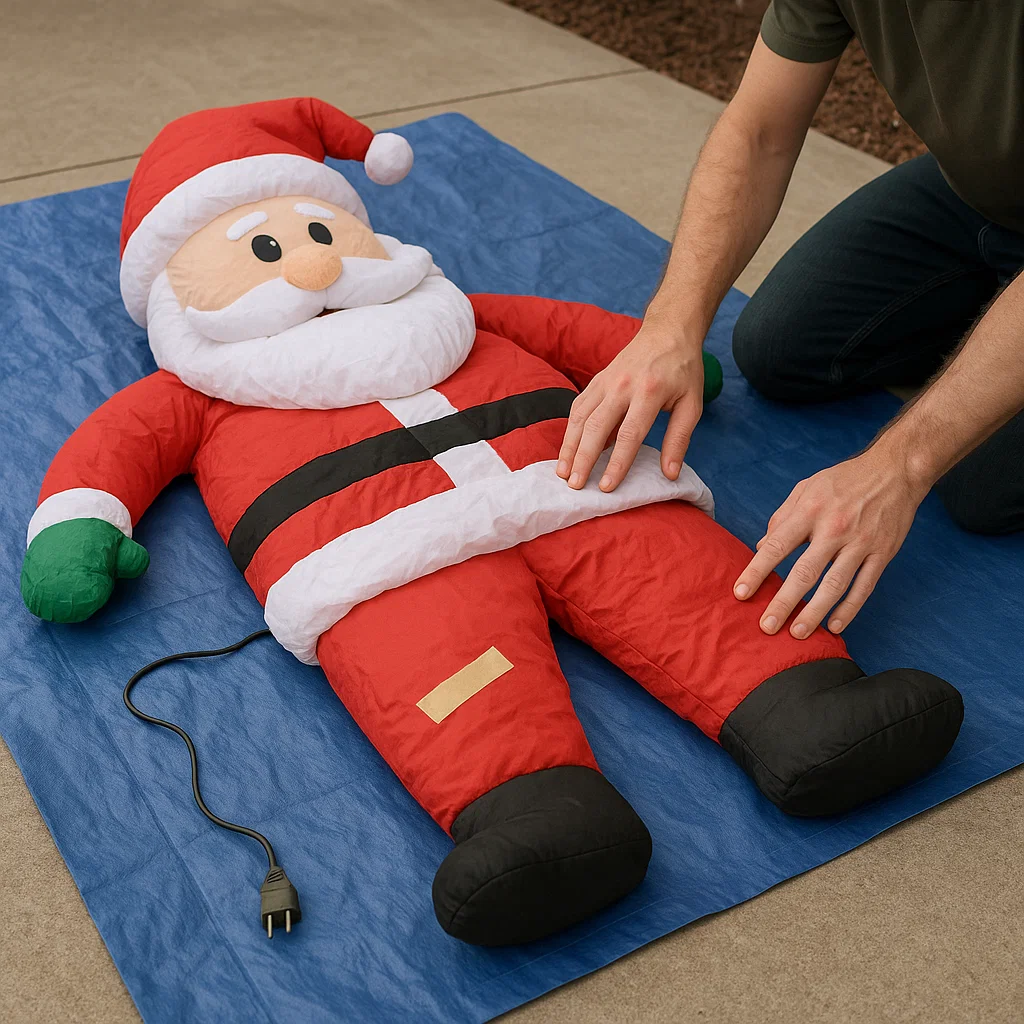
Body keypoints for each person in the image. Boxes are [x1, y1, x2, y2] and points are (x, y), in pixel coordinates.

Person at [557, 0, 1024, 641]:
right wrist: (670, 327)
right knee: (781, 349)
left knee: (977, 484)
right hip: (979, 197)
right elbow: (759, 130)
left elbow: (912, 465)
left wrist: (899, 467)